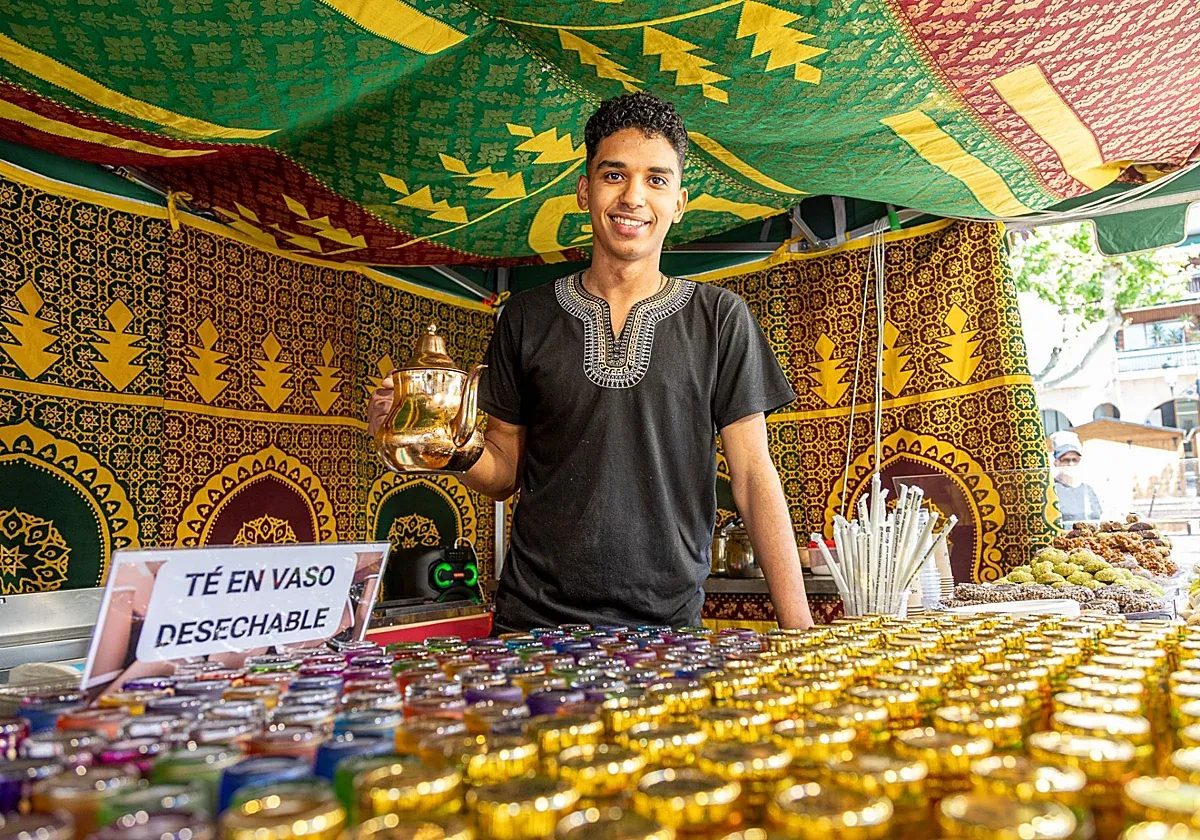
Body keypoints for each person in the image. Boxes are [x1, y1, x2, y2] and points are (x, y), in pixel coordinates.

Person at [369, 93, 812, 632]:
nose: (633, 197)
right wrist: (440, 443)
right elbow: (504, 469)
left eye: (656, 179)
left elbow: (752, 475)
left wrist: (800, 631)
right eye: (613, 175)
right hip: (532, 627)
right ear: (584, 190)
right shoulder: (526, 316)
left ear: (679, 201)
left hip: (667, 630)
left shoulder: (720, 318)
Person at [1050, 431, 1102, 523]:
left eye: (1075, 460)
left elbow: (1097, 516)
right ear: (1056, 463)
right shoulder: (1051, 489)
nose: (1071, 464)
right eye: (1066, 460)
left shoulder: (1087, 489)